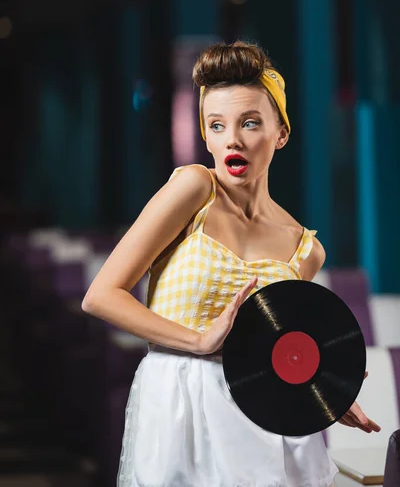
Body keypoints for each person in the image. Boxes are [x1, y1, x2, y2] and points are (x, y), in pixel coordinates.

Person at [82, 41, 380, 487]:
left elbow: (274, 349)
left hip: (266, 421)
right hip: (183, 406)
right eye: (216, 125)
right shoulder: (193, 188)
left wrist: (325, 391)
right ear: (205, 134)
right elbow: (101, 296)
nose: (232, 139)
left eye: (251, 123)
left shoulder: (305, 248)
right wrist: (199, 341)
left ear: (281, 133)